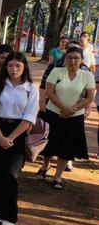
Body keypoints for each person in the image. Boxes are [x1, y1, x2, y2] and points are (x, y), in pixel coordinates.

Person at [0, 52, 38, 225]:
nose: (14, 70)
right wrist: (0, 137)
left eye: (18, 66)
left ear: (24, 68)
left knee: (10, 175)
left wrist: (11, 138)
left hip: (18, 133)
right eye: (10, 66)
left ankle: (9, 215)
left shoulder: (31, 89)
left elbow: (29, 117)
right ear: (5, 67)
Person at [37, 47, 96, 189]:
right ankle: (45, 166)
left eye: (76, 58)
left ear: (81, 60)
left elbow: (89, 97)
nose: (73, 61)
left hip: (75, 116)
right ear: (64, 59)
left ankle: (58, 176)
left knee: (67, 147)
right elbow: (50, 93)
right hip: (53, 113)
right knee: (49, 143)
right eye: (69, 57)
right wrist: (63, 109)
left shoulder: (87, 76)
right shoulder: (56, 71)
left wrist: (72, 110)